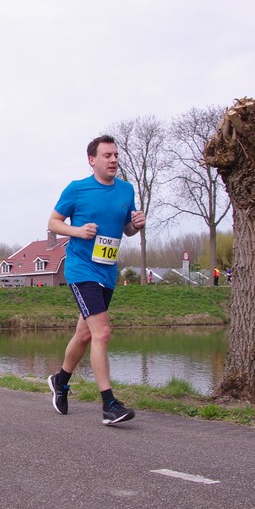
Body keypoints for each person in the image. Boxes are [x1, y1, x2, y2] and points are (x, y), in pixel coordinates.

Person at [46, 134, 145, 426]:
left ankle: (60, 380)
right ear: (92, 160)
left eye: (116, 155)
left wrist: (136, 225)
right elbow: (53, 222)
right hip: (81, 270)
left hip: (107, 271)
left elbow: (126, 229)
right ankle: (109, 405)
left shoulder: (126, 190)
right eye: (107, 155)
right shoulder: (77, 189)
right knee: (102, 333)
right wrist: (77, 231)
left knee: (85, 334)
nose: (113, 160)